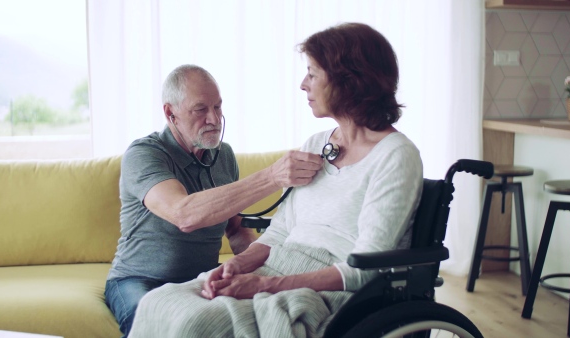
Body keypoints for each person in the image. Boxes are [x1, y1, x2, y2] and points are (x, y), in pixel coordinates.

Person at [128, 22, 424, 338]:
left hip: (329, 287)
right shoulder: (317, 144)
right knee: (158, 302)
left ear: (347, 80)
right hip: (277, 266)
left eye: (312, 73)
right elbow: (280, 231)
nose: (303, 84)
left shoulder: (396, 156)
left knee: (195, 324)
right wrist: (238, 265)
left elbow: (364, 269)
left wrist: (267, 285)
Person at [104, 64, 324, 337]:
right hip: (139, 280)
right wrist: (271, 177)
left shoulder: (223, 155)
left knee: (261, 317)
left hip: (199, 278)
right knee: (153, 323)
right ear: (170, 113)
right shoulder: (144, 154)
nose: (214, 118)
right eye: (200, 110)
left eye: (218, 107)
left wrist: (258, 269)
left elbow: (234, 228)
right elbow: (183, 214)